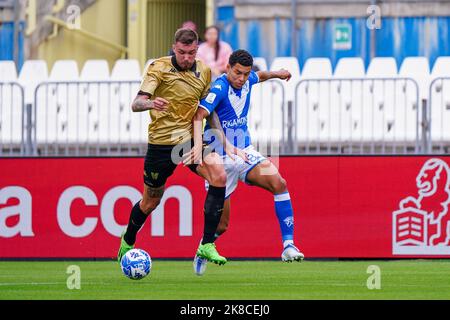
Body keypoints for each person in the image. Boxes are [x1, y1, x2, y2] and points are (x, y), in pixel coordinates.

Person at [117, 28, 228, 266]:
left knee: (219, 175)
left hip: (187, 140)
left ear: (196, 50)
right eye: (182, 52)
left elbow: (207, 110)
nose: (187, 58)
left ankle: (207, 244)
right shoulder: (159, 67)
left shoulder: (204, 71)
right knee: (151, 202)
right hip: (161, 143)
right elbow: (135, 104)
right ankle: (128, 239)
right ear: (174, 47)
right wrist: (150, 102)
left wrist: (222, 136)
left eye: (191, 53)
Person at [191, 50, 304, 276]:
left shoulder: (248, 79)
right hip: (219, 158)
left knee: (279, 183)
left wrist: (278, 74)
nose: (241, 78)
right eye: (237, 73)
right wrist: (195, 146)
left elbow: (260, 76)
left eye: (245, 74)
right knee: (221, 226)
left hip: (245, 152)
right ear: (228, 68)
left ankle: (288, 245)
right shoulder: (219, 88)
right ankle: (204, 247)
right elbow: (199, 116)